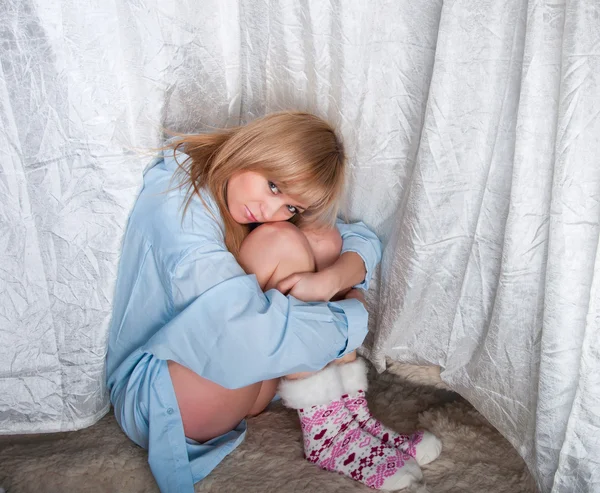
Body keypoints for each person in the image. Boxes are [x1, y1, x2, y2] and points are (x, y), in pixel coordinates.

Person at [106, 112, 441, 493]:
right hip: (166, 396)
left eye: (290, 206)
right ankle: (329, 432)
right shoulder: (178, 200)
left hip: (237, 379)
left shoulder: (234, 185)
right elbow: (242, 335)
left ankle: (347, 421)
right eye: (273, 186)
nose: (269, 210)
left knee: (322, 241)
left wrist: (332, 279)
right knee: (281, 242)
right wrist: (351, 315)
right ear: (255, 147)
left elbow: (358, 238)